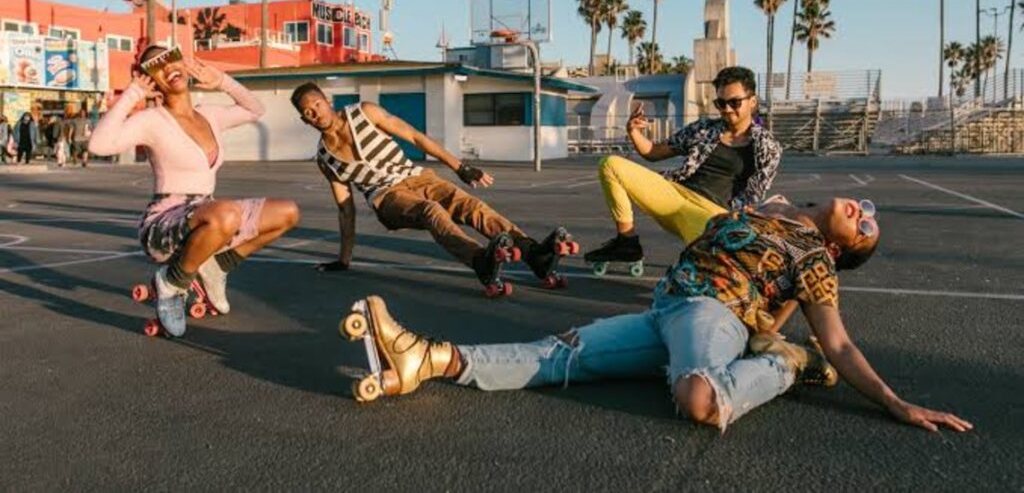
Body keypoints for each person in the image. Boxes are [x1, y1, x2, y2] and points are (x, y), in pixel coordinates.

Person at [341, 196, 972, 435]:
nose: (863, 210)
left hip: (711, 315)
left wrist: (896, 403)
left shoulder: (816, 260)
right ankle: (428, 359)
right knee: (561, 353)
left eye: (867, 226)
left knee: (698, 398)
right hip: (666, 309)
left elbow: (838, 344)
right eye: (865, 208)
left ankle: (781, 370)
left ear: (841, 250)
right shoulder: (773, 211)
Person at [89, 45, 301, 337]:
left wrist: (223, 81)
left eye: (170, 58)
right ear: (150, 79)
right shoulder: (152, 120)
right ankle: (172, 283)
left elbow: (256, 109)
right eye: (156, 67)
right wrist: (134, 94)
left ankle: (215, 267)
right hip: (164, 223)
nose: (167, 68)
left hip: (207, 216)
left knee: (287, 212)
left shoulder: (209, 115)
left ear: (183, 63)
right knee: (226, 214)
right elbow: (98, 145)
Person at [291, 82, 576, 295]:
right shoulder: (326, 159)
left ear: (327, 100)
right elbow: (345, 208)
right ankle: (480, 260)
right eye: (308, 112)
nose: (315, 113)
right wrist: (344, 260)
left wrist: (460, 168)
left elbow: (415, 137)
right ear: (304, 120)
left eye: (317, 104)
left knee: (471, 206)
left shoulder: (365, 113)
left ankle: (533, 254)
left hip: (419, 177)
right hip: (387, 198)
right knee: (431, 212)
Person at [585, 66, 782, 271]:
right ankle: (627, 242)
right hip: (674, 195)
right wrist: (633, 131)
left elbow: (754, 197)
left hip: (711, 216)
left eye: (735, 102)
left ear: (752, 101)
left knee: (709, 270)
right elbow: (653, 152)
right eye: (721, 103)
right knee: (610, 165)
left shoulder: (766, 147)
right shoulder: (703, 129)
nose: (727, 108)